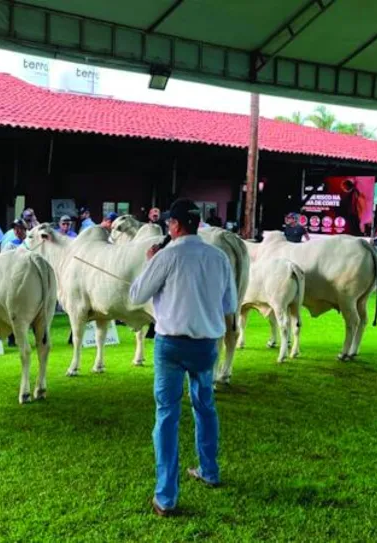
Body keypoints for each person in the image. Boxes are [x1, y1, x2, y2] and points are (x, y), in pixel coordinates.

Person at [129, 198, 237, 516]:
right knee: (205, 407)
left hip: (171, 347)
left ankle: (166, 496)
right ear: (197, 224)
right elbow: (229, 305)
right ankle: (210, 470)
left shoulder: (166, 256)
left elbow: (136, 296)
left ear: (175, 226)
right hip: (206, 346)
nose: (167, 228)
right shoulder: (218, 258)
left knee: (167, 416)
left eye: (168, 224)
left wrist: (151, 262)